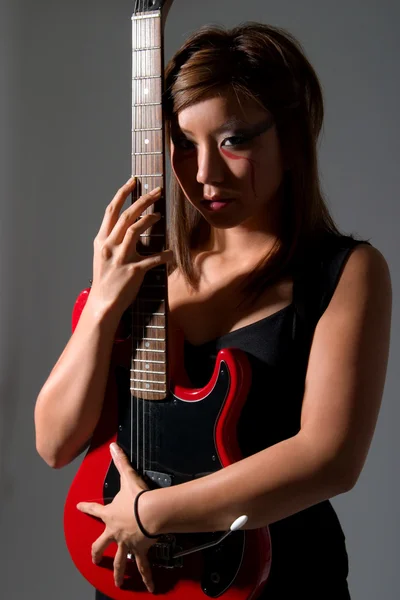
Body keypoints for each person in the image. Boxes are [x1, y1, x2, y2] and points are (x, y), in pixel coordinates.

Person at [34, 22, 392, 600]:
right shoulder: (148, 276)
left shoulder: (347, 272)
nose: (204, 174)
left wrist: (150, 513)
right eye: (184, 143)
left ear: (291, 137)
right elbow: (53, 443)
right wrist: (102, 303)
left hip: (282, 581)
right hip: (142, 583)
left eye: (234, 140)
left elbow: (329, 460)